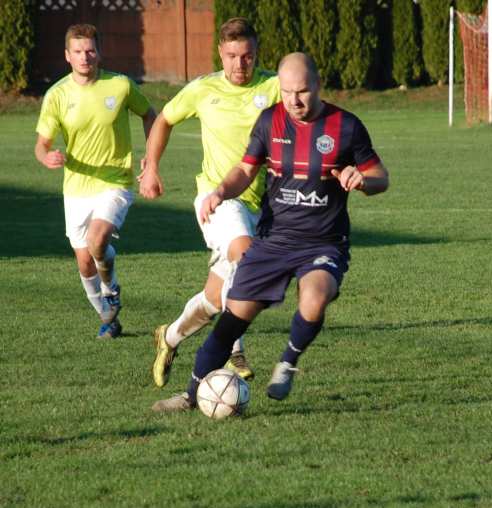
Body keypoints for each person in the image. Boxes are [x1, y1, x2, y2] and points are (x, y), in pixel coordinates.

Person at [151, 52, 389, 413]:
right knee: (231, 320)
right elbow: (245, 171)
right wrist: (219, 191)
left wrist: (362, 180)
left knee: (314, 298)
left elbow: (380, 177)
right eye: (288, 91)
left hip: (324, 242)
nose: (294, 100)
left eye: (303, 92)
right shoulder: (269, 121)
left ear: (318, 85)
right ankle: (189, 395)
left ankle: (287, 363)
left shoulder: (346, 126)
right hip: (275, 239)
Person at [139, 18, 281, 387]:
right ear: (221, 52)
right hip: (217, 199)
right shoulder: (203, 89)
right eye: (232, 56)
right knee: (246, 256)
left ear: (256, 53)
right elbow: (164, 119)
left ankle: (168, 337)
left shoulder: (274, 87)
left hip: (260, 205)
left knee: (216, 297)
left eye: (247, 56)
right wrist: (151, 167)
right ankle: (234, 348)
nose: (240, 64)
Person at [35, 24, 155, 339]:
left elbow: (149, 114)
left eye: (90, 50)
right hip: (76, 189)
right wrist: (46, 156)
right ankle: (108, 317)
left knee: (98, 239)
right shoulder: (57, 95)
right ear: (67, 56)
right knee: (84, 261)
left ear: (98, 52)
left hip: (116, 180)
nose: (85, 57)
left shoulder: (120, 86)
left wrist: (150, 157)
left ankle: (110, 289)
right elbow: (41, 142)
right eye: (78, 51)